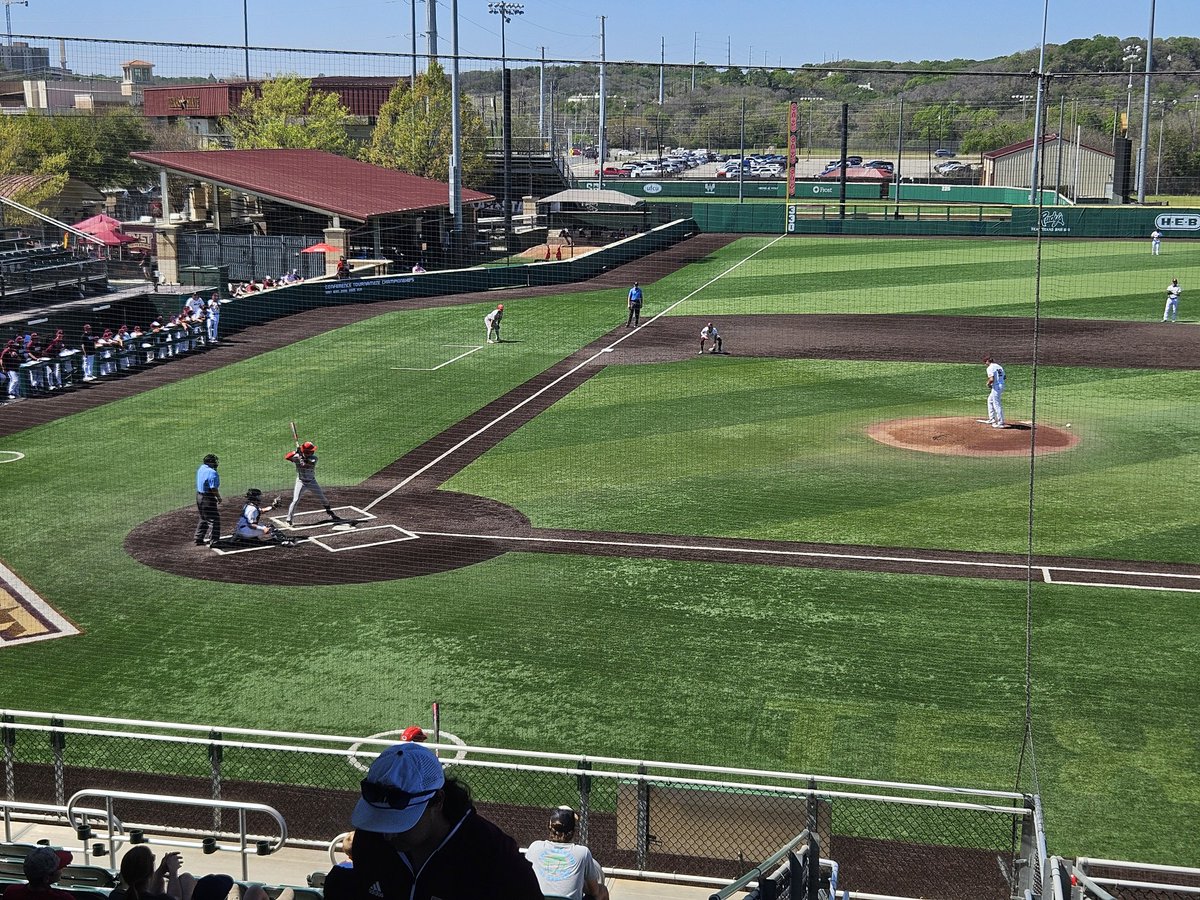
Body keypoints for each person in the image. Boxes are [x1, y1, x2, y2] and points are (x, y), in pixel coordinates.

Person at [323, 742, 541, 900]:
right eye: (380, 821)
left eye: (399, 824)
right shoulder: (372, 837)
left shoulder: (495, 858)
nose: (387, 835)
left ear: (437, 802)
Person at [524, 807, 609, 900]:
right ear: (573, 832)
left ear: (549, 827)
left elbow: (524, 879)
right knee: (602, 891)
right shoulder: (582, 852)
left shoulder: (535, 847)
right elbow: (595, 891)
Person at [285, 440, 339, 527]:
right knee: (295, 500)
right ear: (306, 451)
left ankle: (330, 513)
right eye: (311, 451)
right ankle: (289, 520)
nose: (313, 451)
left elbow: (307, 464)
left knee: (323, 498)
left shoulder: (314, 458)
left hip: (312, 482)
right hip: (300, 482)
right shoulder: (297, 456)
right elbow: (287, 457)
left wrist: (301, 458)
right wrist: (295, 452)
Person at [108, 846, 183, 900]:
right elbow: (176, 898)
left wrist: (160, 871)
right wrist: (173, 872)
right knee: (186, 879)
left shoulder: (115, 896)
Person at [3, 846, 74, 900]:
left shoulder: (12, 892)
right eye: (58, 867)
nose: (62, 869)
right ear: (46, 878)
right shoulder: (64, 898)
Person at [195, 453, 223, 545]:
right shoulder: (212, 472)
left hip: (199, 496)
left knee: (203, 517)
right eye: (214, 461)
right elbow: (213, 488)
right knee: (214, 519)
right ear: (210, 463)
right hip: (207, 498)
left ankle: (198, 537)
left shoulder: (201, 468)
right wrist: (218, 497)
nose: (215, 463)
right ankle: (214, 541)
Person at [984, 355, 1006, 429]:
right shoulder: (999, 366)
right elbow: (1004, 377)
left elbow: (991, 379)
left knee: (996, 404)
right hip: (1001, 385)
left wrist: (988, 384)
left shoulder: (990, 368)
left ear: (987, 361)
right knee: (990, 400)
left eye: (985, 362)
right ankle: (992, 419)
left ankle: (1000, 422)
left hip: (996, 387)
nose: (985, 364)